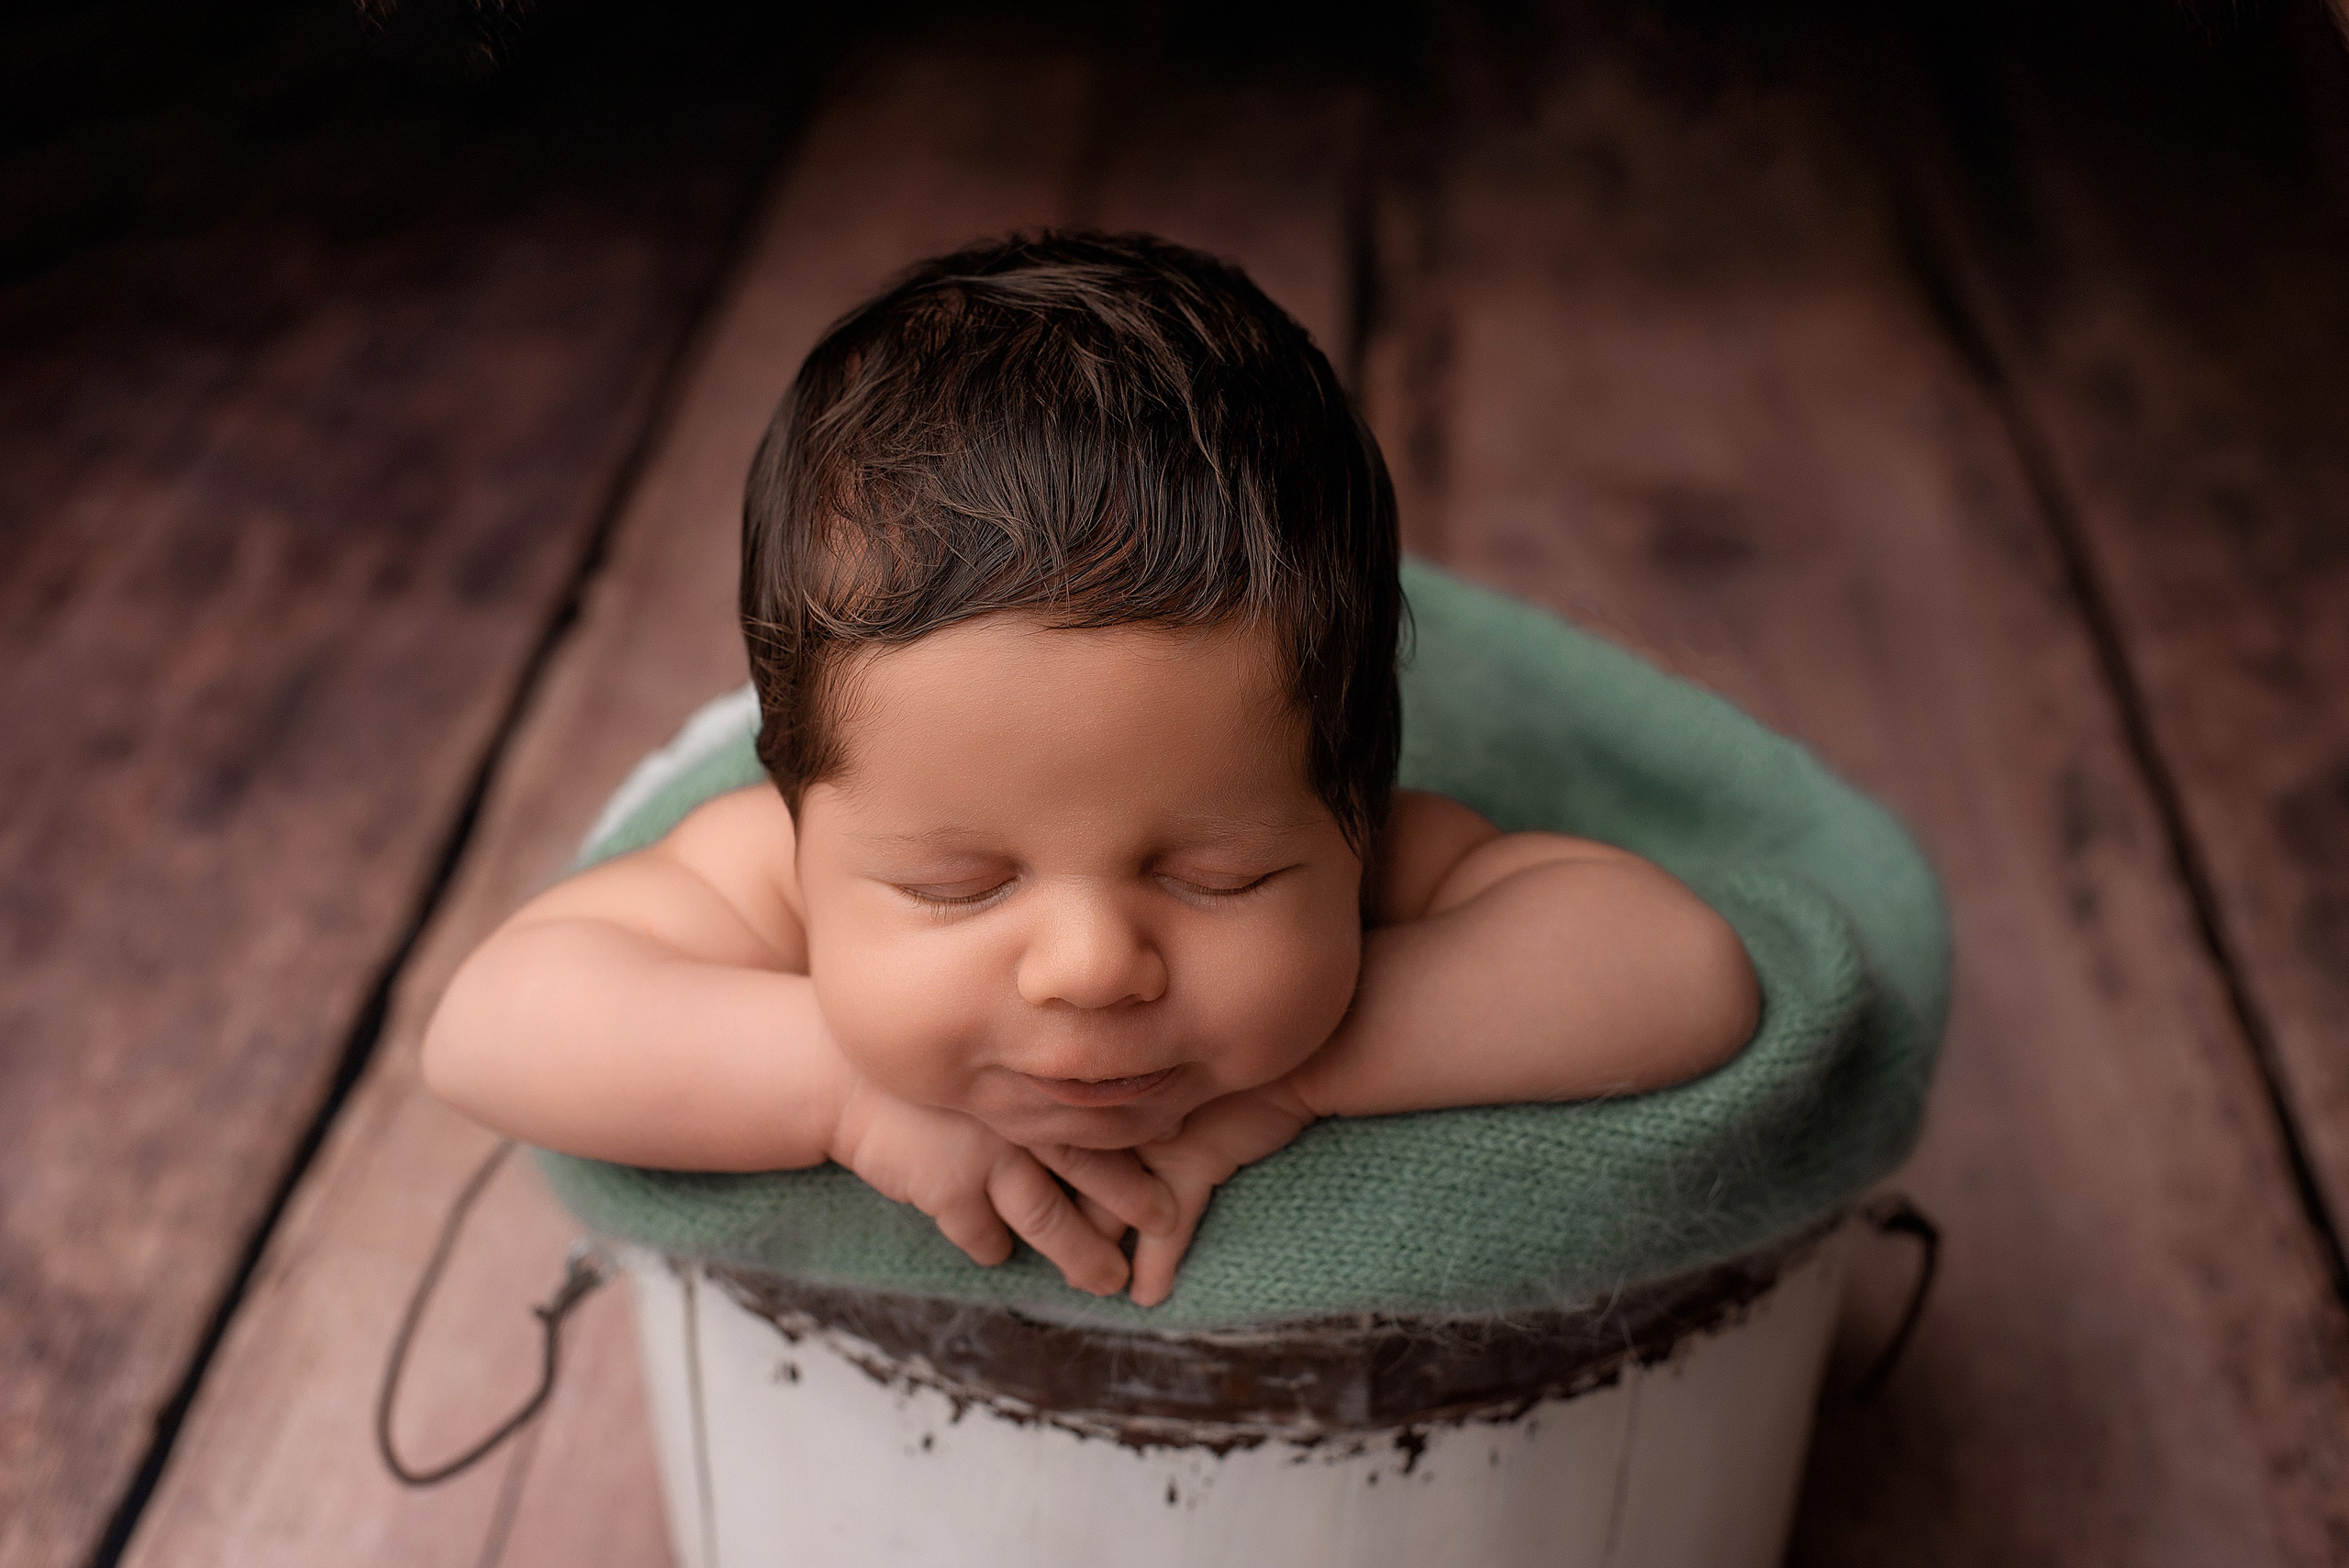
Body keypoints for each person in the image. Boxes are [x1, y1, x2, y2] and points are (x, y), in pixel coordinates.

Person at [421, 231, 1759, 1308]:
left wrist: (1315, 1070)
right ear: (799, 814)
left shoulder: (1371, 848)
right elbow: (490, 1027)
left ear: (1353, 808)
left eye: (1216, 876)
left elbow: (1684, 973)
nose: (1089, 966)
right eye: (956, 886)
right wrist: (839, 1092)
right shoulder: (776, 864)